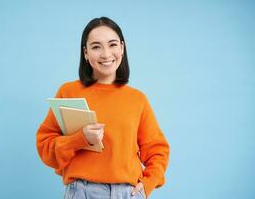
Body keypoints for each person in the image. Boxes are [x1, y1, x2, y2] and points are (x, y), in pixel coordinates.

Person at [36, 16, 170, 199]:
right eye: (96, 46)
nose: (106, 54)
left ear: (122, 48)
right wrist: (80, 139)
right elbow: (46, 148)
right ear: (85, 52)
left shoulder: (137, 99)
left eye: (112, 44)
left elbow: (158, 150)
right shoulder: (68, 92)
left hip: (127, 193)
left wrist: (147, 185)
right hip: (82, 192)